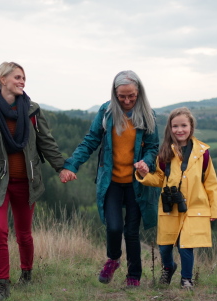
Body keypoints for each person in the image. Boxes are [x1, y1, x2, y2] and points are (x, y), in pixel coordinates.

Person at [0, 61, 66, 301]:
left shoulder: (31, 110)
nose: (22, 82)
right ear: (3, 80)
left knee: (23, 234)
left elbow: (46, 142)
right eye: (18, 77)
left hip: (26, 182)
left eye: (24, 78)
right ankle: (2, 284)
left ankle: (27, 274)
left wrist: (61, 167)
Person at [59, 70, 160, 287]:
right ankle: (113, 259)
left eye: (131, 95)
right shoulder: (106, 112)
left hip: (136, 184)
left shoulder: (148, 114)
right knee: (114, 227)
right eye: (121, 96)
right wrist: (71, 165)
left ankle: (134, 276)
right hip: (111, 182)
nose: (126, 100)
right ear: (114, 93)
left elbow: (153, 147)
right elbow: (90, 141)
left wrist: (147, 162)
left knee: (132, 232)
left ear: (139, 92)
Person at [134, 107, 217, 289]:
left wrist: (214, 210)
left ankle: (187, 279)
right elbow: (159, 179)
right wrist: (143, 174)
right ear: (169, 128)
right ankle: (169, 267)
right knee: (165, 246)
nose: (179, 130)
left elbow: (211, 184)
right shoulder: (164, 153)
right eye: (175, 126)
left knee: (185, 246)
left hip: (194, 208)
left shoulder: (202, 153)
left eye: (183, 125)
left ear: (191, 127)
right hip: (170, 207)